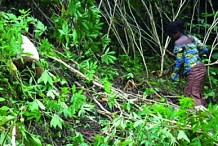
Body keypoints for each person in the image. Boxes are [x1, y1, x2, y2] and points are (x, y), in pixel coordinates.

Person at [166, 19, 208, 107]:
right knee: (195, 92)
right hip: (201, 68)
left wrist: (175, 74)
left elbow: (179, 61)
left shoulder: (178, 42)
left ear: (176, 33)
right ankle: (203, 114)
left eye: (171, 35)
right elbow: (204, 49)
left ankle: (199, 116)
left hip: (194, 71)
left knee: (192, 94)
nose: (172, 38)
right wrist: (194, 55)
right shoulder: (191, 38)